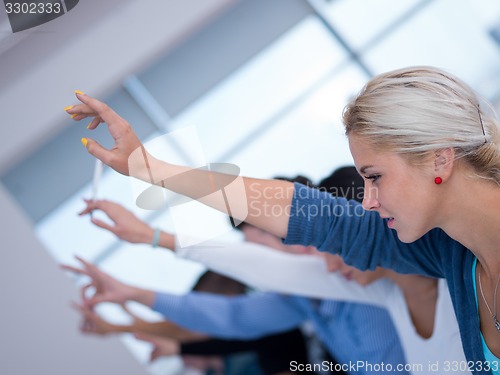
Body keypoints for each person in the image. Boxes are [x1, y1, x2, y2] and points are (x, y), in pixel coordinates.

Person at [65, 66, 500, 374]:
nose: (366, 202)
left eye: (375, 177)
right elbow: (319, 219)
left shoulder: (439, 261)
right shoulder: (449, 258)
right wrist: (148, 168)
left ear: (438, 158)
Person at [78, 167, 470, 374]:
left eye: (277, 236)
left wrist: (154, 233)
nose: (326, 255)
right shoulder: (328, 291)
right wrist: (138, 281)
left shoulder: (429, 275)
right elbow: (236, 314)